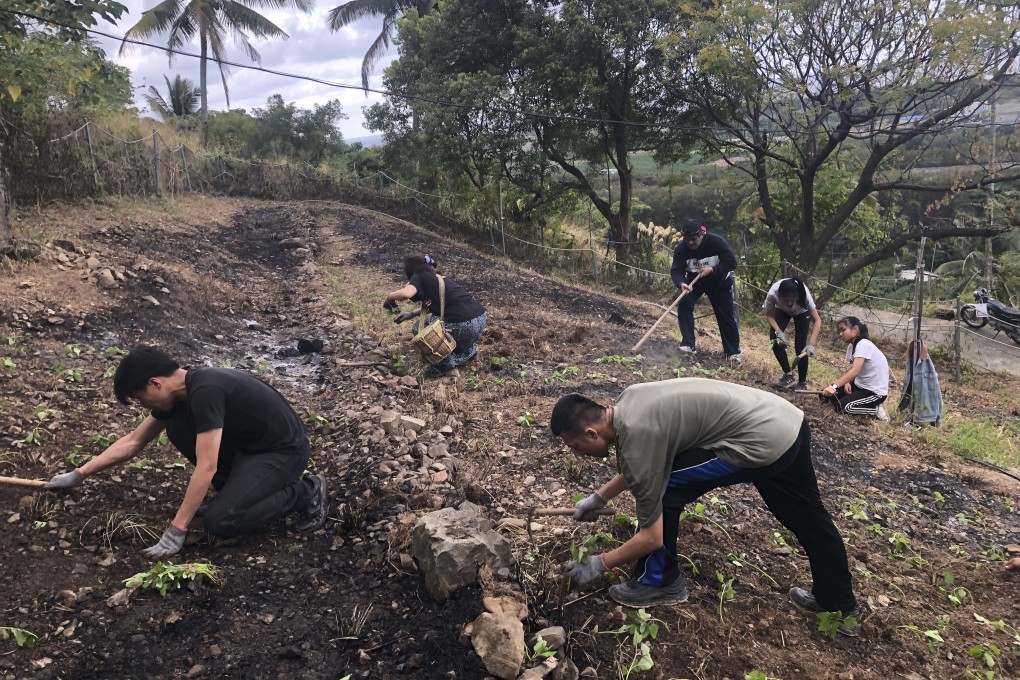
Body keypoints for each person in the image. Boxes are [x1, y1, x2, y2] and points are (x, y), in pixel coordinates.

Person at [550, 378, 862, 635]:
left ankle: (660, 582)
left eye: (577, 447)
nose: (580, 454)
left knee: (666, 488)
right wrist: (600, 497)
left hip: (759, 442)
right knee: (809, 517)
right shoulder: (628, 402)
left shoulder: (638, 433)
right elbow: (642, 463)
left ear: (591, 433)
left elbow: (651, 536)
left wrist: (599, 563)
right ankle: (839, 605)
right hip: (786, 423)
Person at [43, 347, 328, 558]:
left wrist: (176, 530)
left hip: (281, 452)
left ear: (155, 383)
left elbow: (207, 467)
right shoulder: (181, 393)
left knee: (221, 520)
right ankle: (237, 492)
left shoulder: (206, 390)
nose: (143, 404)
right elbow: (133, 441)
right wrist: (79, 473)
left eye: (140, 397)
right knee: (176, 427)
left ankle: (307, 490)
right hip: (247, 448)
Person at [384, 255, 487, 376]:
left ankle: (444, 366)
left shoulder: (419, 276)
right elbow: (439, 305)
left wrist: (390, 296)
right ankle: (470, 353)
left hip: (462, 324)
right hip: (480, 319)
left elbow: (406, 294)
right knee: (437, 321)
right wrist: (411, 314)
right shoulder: (439, 278)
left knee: (420, 328)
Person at [669, 220, 741, 363]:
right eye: (686, 239)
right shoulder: (680, 249)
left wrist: (713, 269)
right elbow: (676, 270)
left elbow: (731, 262)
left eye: (693, 239)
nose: (690, 242)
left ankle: (732, 352)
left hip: (719, 280)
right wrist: (682, 283)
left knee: (725, 315)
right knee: (684, 303)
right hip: (695, 281)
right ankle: (688, 344)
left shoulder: (717, 242)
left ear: (701, 235)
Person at [820, 317, 890, 421]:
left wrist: (834, 386)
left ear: (855, 329)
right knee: (828, 396)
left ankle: (876, 409)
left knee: (842, 407)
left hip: (874, 392)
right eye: (839, 331)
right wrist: (848, 382)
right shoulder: (851, 347)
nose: (840, 334)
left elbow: (855, 371)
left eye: (843, 330)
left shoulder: (863, 344)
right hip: (859, 385)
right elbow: (853, 368)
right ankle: (859, 401)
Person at [763, 277, 822, 390]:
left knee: (801, 347)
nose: (790, 302)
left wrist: (812, 343)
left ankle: (802, 382)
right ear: (780, 295)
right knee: (775, 339)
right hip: (781, 311)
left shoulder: (804, 295)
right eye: (786, 299)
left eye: (793, 299)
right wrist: (778, 331)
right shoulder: (772, 294)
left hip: (802, 312)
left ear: (797, 295)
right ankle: (788, 374)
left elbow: (817, 320)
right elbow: (769, 315)